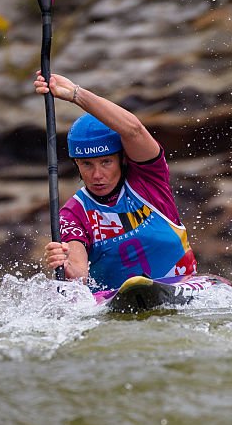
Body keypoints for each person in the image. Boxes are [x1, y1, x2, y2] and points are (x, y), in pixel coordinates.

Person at [34, 72, 198, 291]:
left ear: (122, 159)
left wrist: (76, 94)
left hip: (181, 289)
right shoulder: (73, 213)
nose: (97, 174)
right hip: (119, 301)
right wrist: (68, 268)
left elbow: (133, 130)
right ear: (76, 165)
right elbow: (80, 274)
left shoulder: (148, 180)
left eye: (106, 162)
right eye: (87, 164)